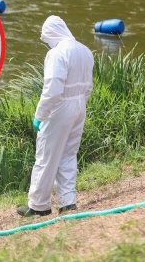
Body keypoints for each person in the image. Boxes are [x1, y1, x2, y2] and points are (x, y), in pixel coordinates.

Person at [17, 15, 94, 217]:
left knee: (46, 156)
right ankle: (67, 202)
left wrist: (40, 115)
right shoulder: (85, 50)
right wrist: (80, 104)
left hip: (60, 107)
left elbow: (53, 89)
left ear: (51, 33)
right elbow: (89, 86)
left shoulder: (57, 53)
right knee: (68, 154)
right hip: (79, 106)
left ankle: (38, 205)